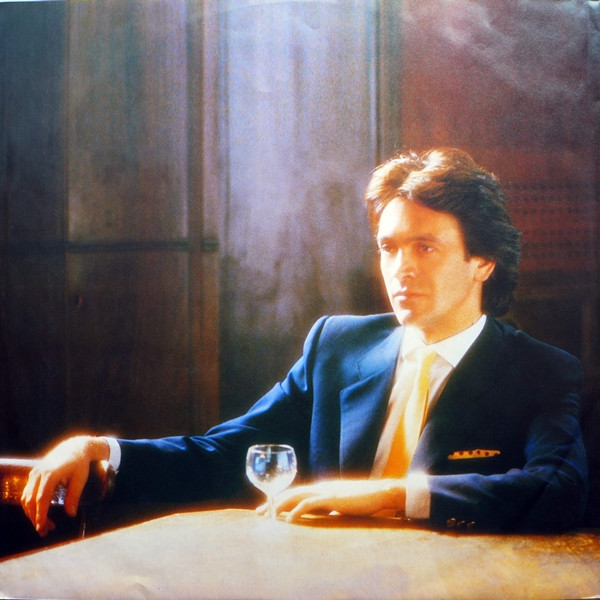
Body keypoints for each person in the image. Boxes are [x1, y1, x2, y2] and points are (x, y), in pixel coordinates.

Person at [22, 148, 588, 536]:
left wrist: (392, 494)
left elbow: (558, 488)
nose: (401, 269)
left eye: (425, 247)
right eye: (388, 248)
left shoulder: (542, 372)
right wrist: (101, 451)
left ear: (483, 262)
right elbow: (229, 453)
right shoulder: (337, 346)